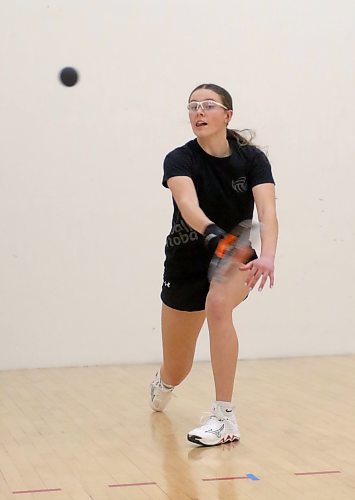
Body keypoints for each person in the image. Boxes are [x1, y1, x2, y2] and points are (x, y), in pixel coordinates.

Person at [150, 83, 278, 446]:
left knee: (219, 305)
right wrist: (212, 235)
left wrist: (266, 254)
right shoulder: (179, 159)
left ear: (228, 115)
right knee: (178, 368)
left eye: (208, 105)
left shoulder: (252, 160)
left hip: (235, 256)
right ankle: (163, 382)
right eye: (192, 106)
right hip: (186, 262)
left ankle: (224, 418)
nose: (199, 112)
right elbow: (188, 205)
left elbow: (268, 210)